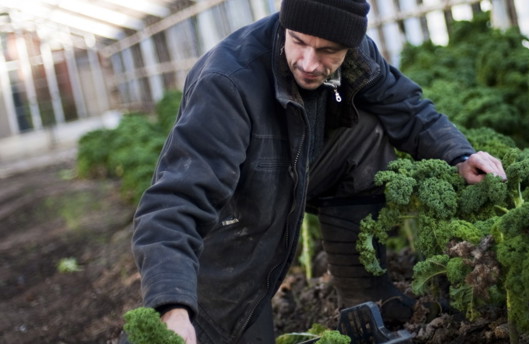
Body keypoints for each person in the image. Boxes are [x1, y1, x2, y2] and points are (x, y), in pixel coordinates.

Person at [129, 0, 506, 343]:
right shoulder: (228, 82)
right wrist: (172, 307)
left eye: (328, 51)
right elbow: (175, 201)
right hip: (233, 226)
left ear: (349, 45)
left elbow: (405, 107)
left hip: (294, 175)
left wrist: (460, 155)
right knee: (194, 333)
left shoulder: (357, 56)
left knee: (368, 133)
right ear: (284, 24)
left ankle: (363, 292)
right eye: (299, 42)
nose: (310, 63)